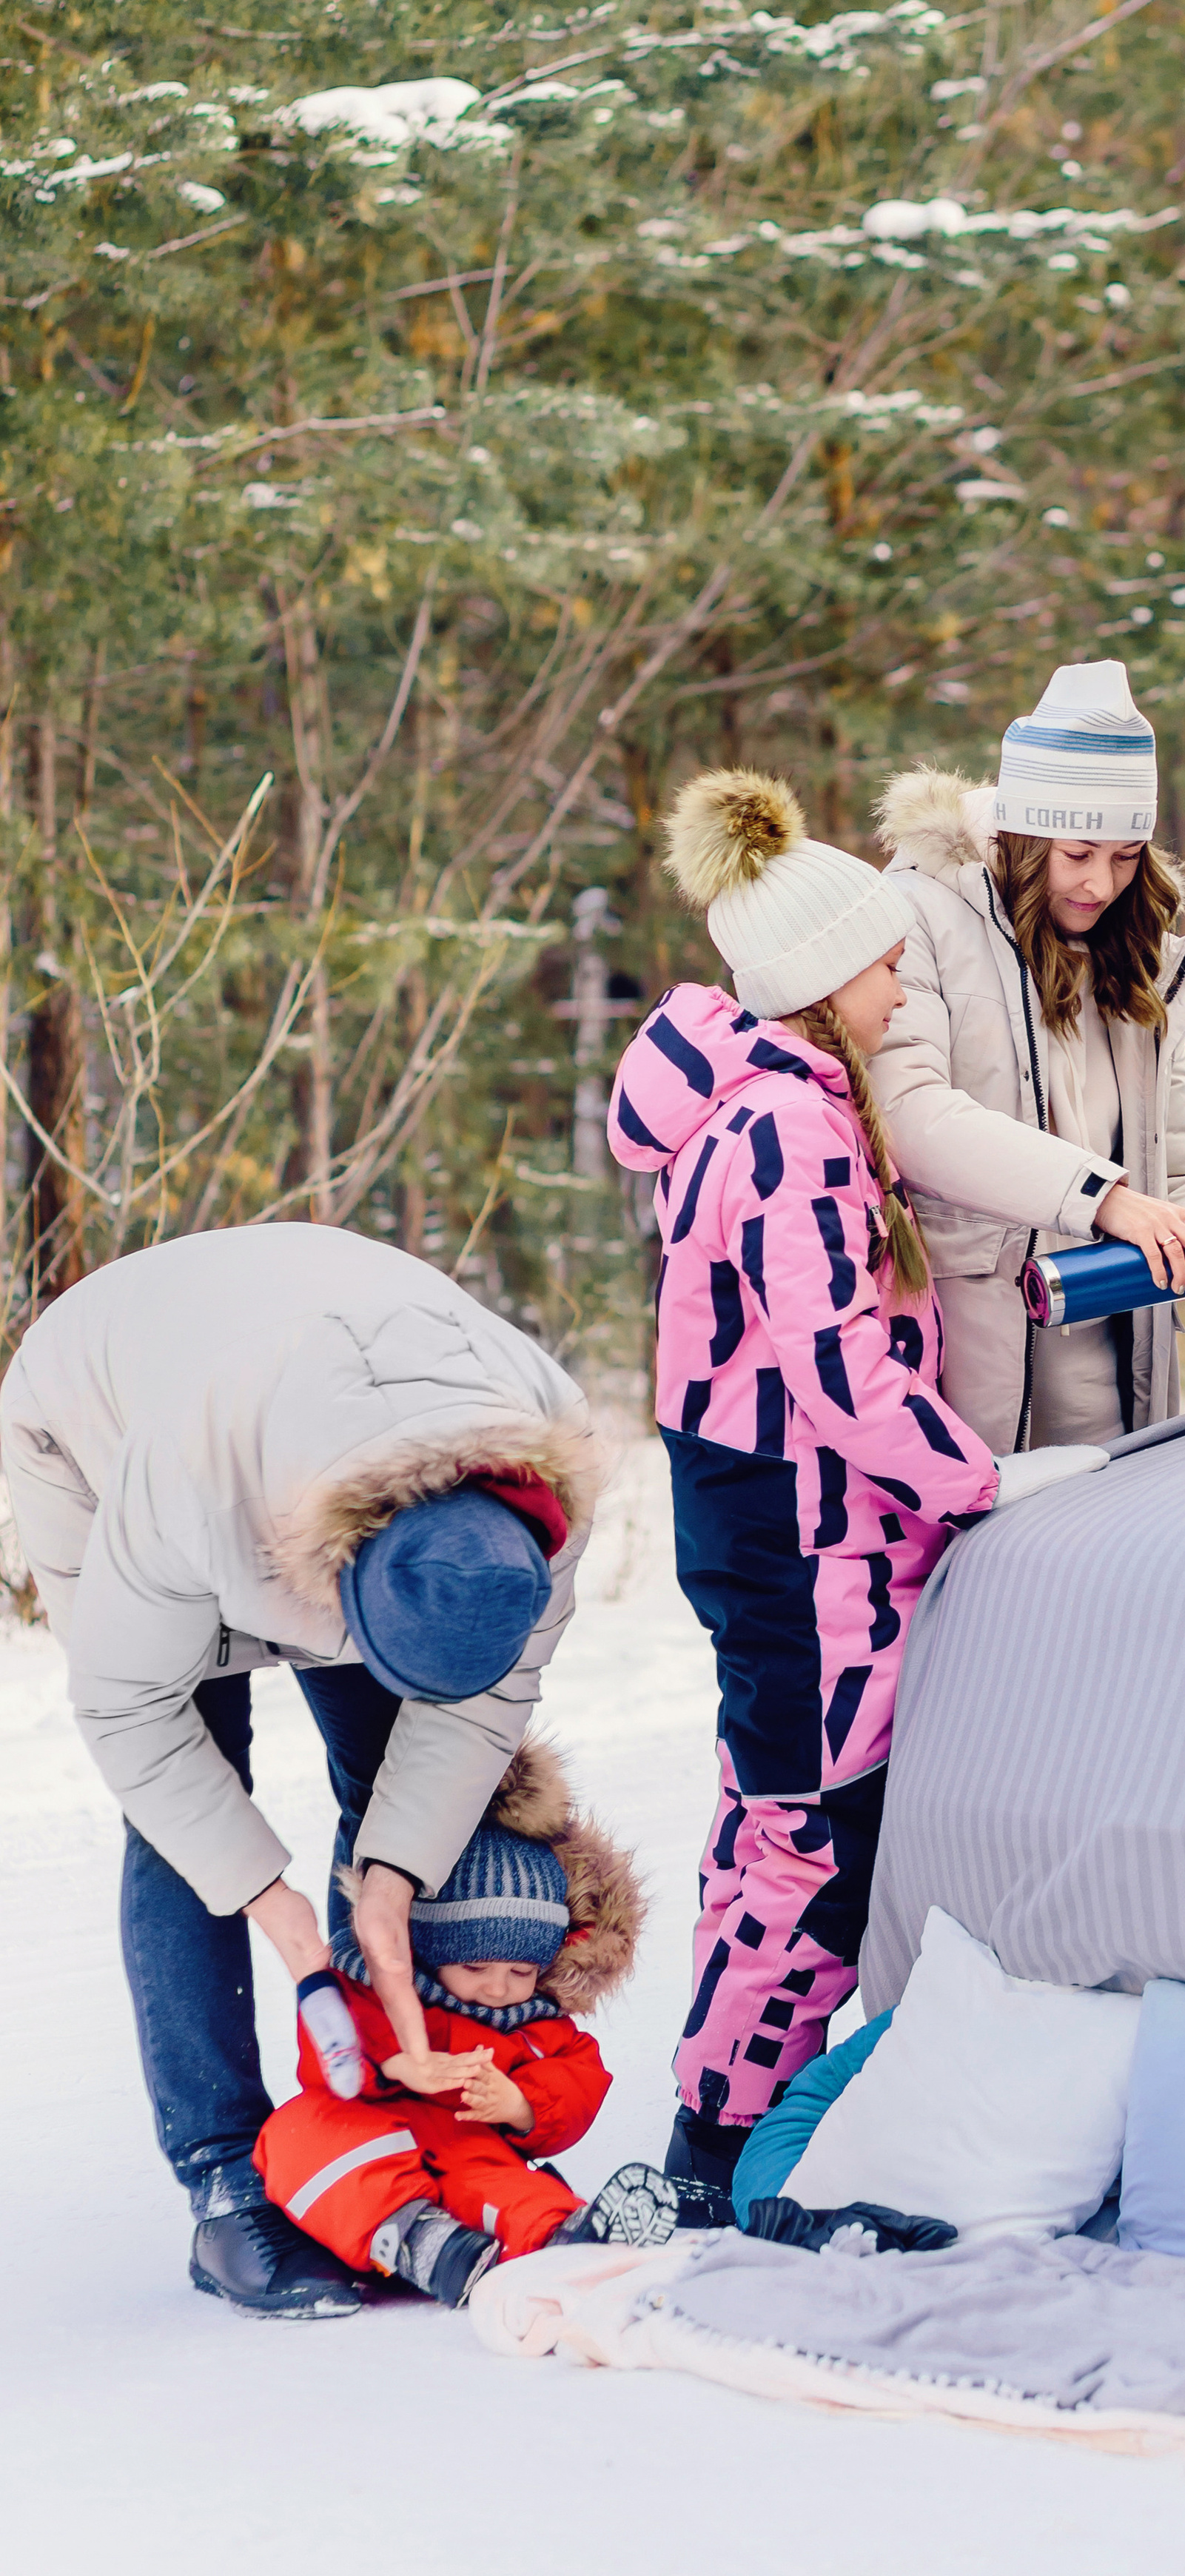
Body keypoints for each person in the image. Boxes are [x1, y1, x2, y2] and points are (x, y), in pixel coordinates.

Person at [0, 1224, 598, 2318]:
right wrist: (281, 1916)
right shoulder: (195, 1478)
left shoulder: (547, 1485)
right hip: (109, 1428)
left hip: (323, 1406)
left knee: (403, 1787)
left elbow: (475, 1716)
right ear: (343, 1578)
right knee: (190, 1805)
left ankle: (405, 2131)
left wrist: (391, 1885)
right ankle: (227, 2177)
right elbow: (127, 1712)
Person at [608, 769, 1003, 2190]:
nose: (902, 993)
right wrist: (979, 1485)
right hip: (799, 1533)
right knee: (808, 1837)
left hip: (779, 1524)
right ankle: (718, 2149)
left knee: (785, 1816)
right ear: (828, 982)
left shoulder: (771, 1099)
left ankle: (760, 2116)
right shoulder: (787, 1132)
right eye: (890, 967)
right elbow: (837, 1375)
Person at [871, 657, 1185, 1457]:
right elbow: (909, 1113)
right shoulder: (919, 915)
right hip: (975, 1343)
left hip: (1115, 1344)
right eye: (1077, 852)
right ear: (1023, 832)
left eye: (1126, 855)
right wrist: (1102, 1199)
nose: (1101, 883)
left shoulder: (1131, 951)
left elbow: (1172, 1165)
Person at [255, 1737, 642, 2306]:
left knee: (510, 2188)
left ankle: (569, 2240)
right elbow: (326, 2047)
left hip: (472, 2147)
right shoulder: (380, 1994)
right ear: (427, 1946)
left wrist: (522, 2105)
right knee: (293, 2136)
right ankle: (417, 2239)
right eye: (476, 1965)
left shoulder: (540, 2028)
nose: (498, 1986)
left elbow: (581, 2082)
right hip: (368, 2136)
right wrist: (394, 2065)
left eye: (521, 1969)